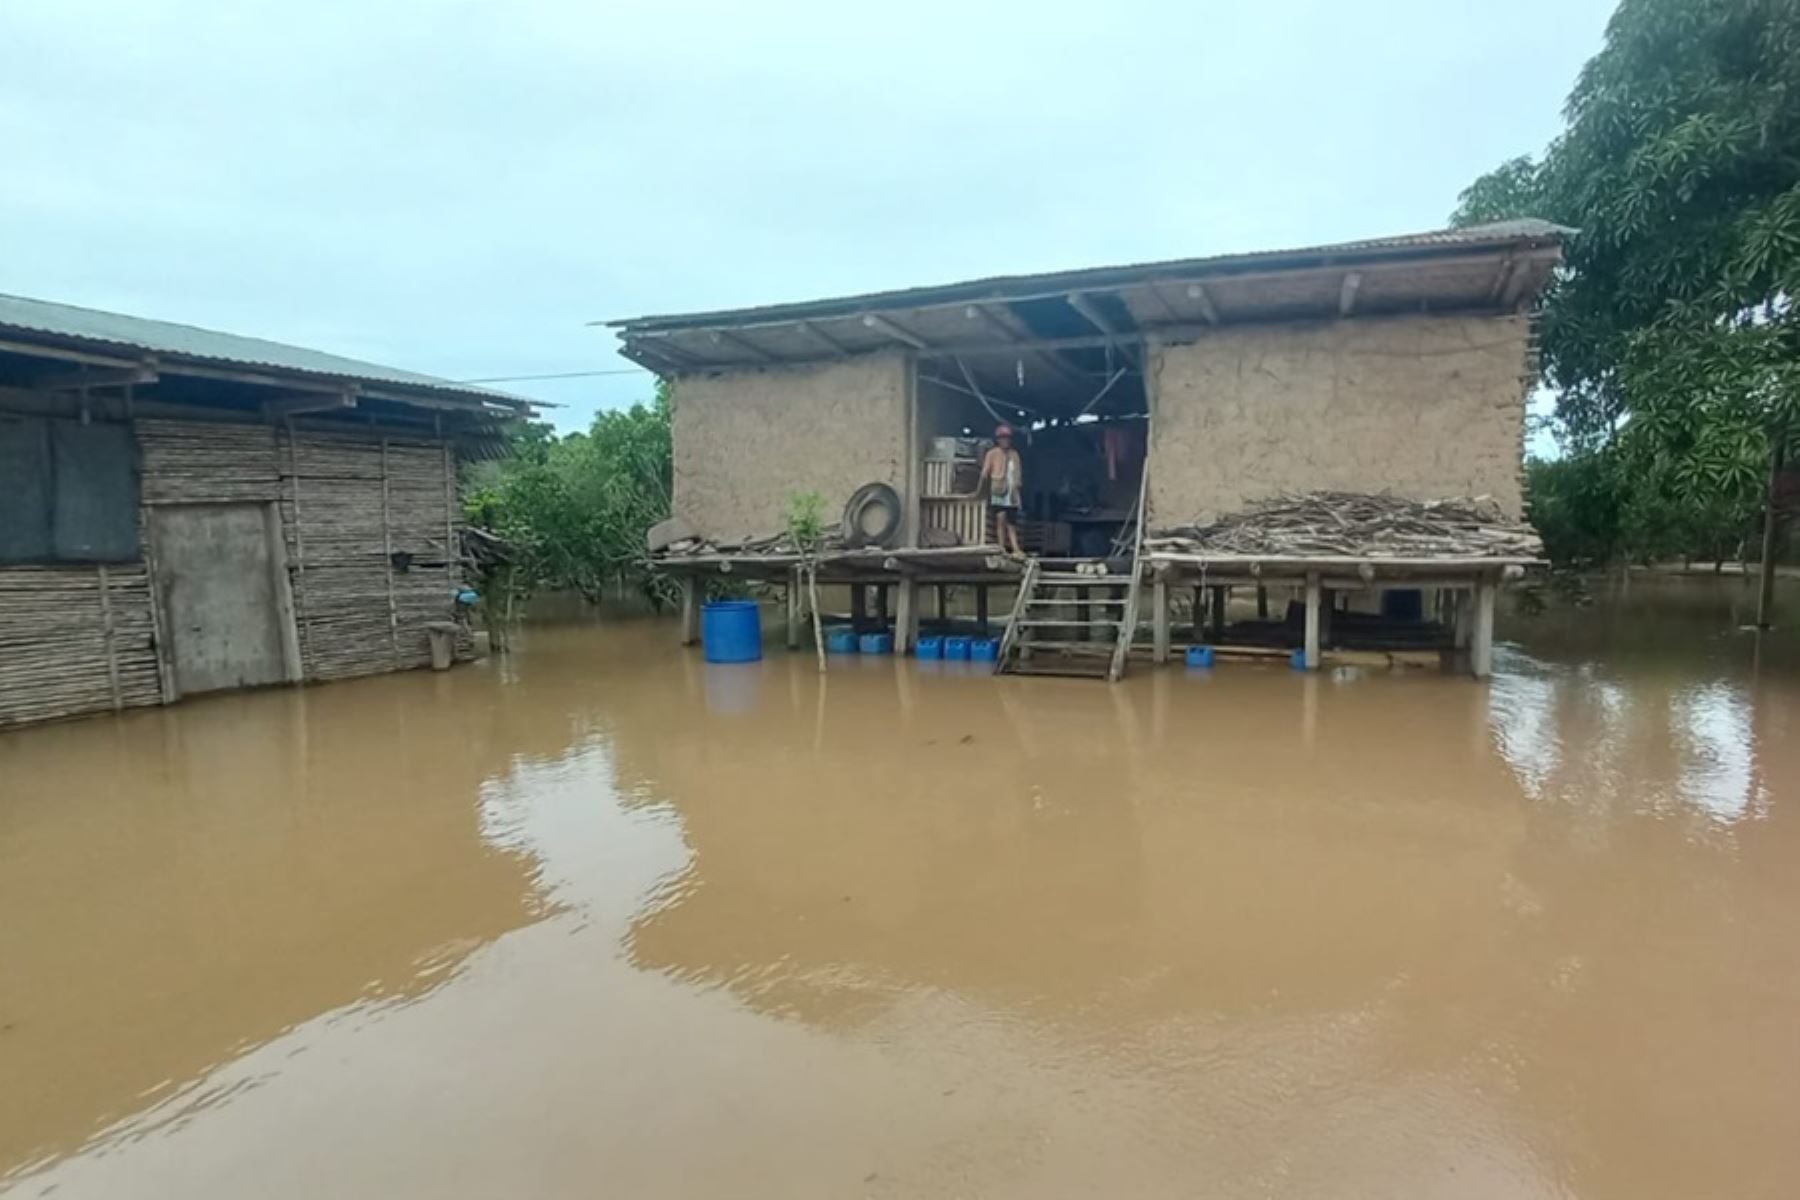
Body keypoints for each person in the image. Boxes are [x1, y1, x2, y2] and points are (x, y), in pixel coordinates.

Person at [981, 424, 1026, 558]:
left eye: (1007, 438)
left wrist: (1017, 492)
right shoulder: (992, 454)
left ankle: (1015, 548)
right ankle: (1001, 548)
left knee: (1011, 522)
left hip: (1011, 491)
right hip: (998, 489)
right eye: (1002, 438)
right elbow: (985, 472)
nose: (1005, 441)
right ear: (998, 439)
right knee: (1000, 518)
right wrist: (979, 489)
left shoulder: (1014, 454)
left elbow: (1018, 475)